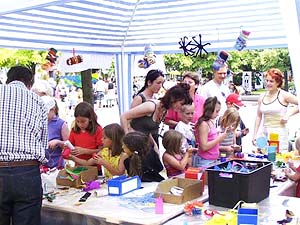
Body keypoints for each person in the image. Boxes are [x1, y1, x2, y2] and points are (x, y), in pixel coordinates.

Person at [0, 66, 48, 225]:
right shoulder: (38, 101)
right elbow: (43, 143)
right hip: (27, 171)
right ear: (30, 84)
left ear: (8, 79)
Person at [120, 83, 193, 150]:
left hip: (143, 144)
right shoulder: (151, 106)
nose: (181, 107)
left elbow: (147, 130)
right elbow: (124, 116)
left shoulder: (164, 111)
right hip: (133, 144)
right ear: (173, 99)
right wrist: (127, 138)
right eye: (181, 103)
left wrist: (155, 145)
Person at [253, 68, 299, 152]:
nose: (268, 83)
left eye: (271, 81)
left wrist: (288, 115)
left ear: (278, 82)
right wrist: (255, 134)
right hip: (265, 131)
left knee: (277, 157)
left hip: (279, 132)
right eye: (267, 80)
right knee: (264, 156)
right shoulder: (262, 96)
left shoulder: (284, 95)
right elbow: (259, 116)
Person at [193, 97, 228, 167]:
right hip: (205, 161)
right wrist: (219, 139)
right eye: (216, 111)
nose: (218, 114)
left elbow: (211, 138)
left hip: (212, 160)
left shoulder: (210, 122)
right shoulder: (204, 124)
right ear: (210, 110)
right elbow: (204, 146)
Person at [41, 96, 69, 169]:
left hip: (56, 166)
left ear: (53, 109)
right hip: (41, 165)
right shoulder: (40, 123)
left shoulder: (61, 124)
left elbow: (68, 145)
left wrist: (57, 142)